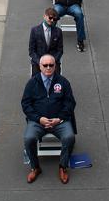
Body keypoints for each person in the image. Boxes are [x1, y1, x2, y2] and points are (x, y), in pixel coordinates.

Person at [21, 54, 76, 184]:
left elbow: (70, 103)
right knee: (28, 138)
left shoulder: (63, 82)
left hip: (59, 121)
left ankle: (63, 167)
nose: (48, 68)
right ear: (39, 66)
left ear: (55, 66)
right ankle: (35, 167)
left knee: (69, 137)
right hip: (38, 122)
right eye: (45, 65)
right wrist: (39, 119)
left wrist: (60, 118)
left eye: (51, 65)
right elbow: (25, 104)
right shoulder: (32, 83)